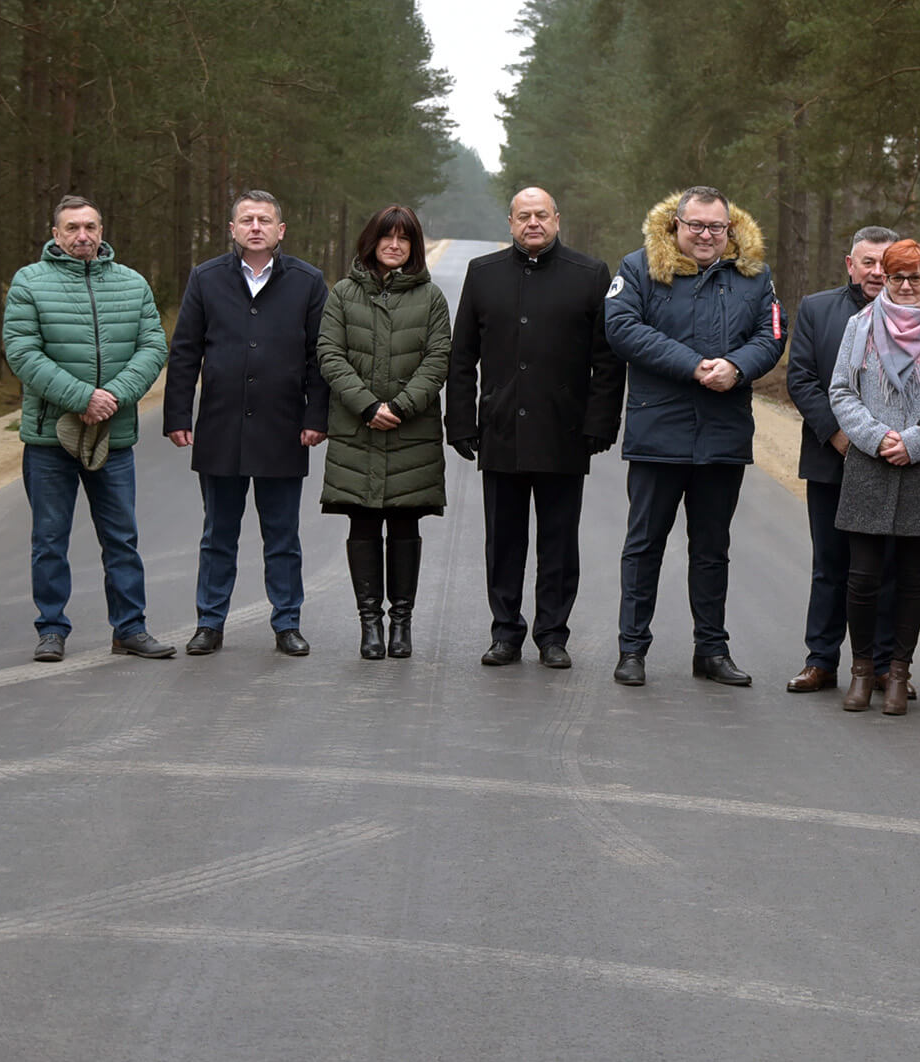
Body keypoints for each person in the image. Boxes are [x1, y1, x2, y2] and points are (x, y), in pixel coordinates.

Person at [606, 185, 783, 687]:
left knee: (712, 548)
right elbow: (621, 327)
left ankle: (711, 650)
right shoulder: (639, 267)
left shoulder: (754, 275)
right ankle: (632, 649)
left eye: (716, 227)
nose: (706, 236)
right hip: (657, 431)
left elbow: (772, 335)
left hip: (722, 434)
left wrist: (737, 367)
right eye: (696, 226)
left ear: (730, 229)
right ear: (675, 226)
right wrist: (692, 365)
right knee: (644, 546)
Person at [447, 187, 623, 669]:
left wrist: (600, 421)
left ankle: (552, 635)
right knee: (503, 541)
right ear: (510, 223)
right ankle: (505, 632)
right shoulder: (483, 274)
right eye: (523, 216)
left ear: (557, 220)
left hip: (564, 433)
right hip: (500, 431)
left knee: (559, 542)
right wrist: (461, 420)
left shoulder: (589, 275)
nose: (533, 223)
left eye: (541, 215)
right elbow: (462, 357)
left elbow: (606, 361)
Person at [3, 195, 173, 662]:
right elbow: (22, 352)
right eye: (73, 227)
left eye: (91, 226)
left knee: (121, 537)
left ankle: (130, 629)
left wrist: (111, 397)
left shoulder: (132, 283)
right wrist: (82, 398)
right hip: (48, 438)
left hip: (113, 436)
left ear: (102, 230)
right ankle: (52, 630)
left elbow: (153, 346)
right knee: (49, 539)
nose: (84, 235)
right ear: (56, 234)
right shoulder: (29, 283)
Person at [164, 190, 328, 658]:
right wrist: (177, 413)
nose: (255, 227)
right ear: (232, 229)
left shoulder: (308, 282)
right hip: (220, 428)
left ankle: (287, 623)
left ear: (281, 231)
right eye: (246, 220)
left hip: (284, 428)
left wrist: (317, 416)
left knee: (283, 536)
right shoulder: (205, 278)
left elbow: (322, 357)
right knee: (218, 534)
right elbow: (185, 351)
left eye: (265, 220)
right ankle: (209, 623)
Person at [827, 240, 920, 713]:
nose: (906, 286)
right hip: (868, 464)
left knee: (912, 577)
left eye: (915, 277)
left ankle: (899, 672)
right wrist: (876, 436)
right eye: (896, 277)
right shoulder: (859, 325)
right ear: (883, 280)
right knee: (862, 577)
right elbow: (842, 391)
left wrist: (916, 442)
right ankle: (863, 670)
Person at [317, 204, 452, 660]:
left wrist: (401, 406)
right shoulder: (342, 293)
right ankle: (369, 624)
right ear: (371, 241)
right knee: (363, 522)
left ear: (414, 246)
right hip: (358, 430)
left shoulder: (431, 298)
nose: (394, 245)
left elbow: (438, 360)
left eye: (404, 238)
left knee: (405, 523)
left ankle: (401, 625)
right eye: (386, 237)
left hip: (411, 432)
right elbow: (329, 354)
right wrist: (368, 405)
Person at [785, 225, 902, 693]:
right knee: (831, 564)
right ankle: (822, 660)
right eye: (867, 262)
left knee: (889, 568)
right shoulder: (817, 309)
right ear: (849, 265)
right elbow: (801, 379)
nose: (877, 271)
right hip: (833, 458)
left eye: (885, 263)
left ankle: (885, 665)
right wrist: (836, 433)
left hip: (896, 462)